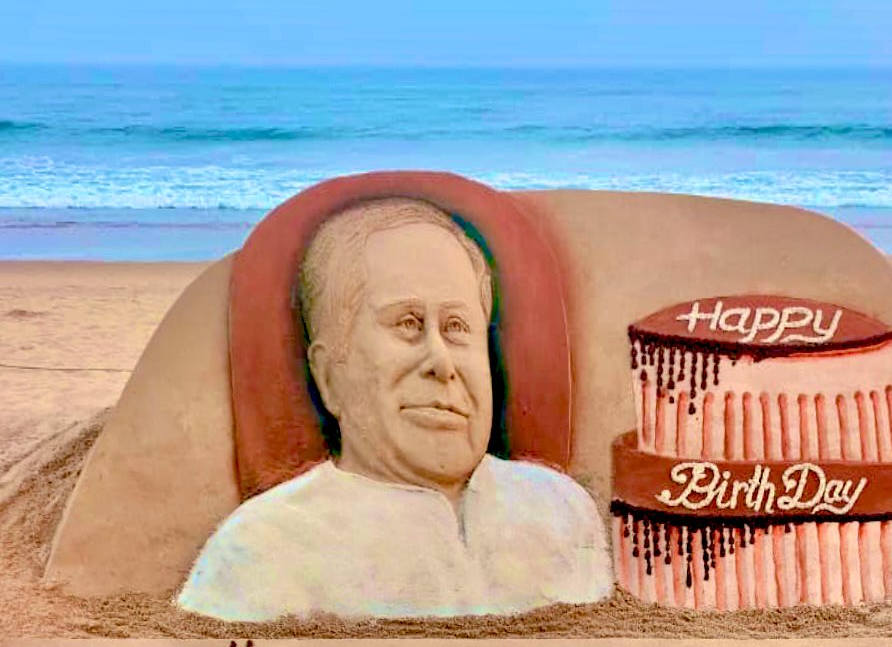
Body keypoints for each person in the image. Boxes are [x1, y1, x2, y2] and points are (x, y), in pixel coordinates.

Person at [176, 197, 613, 620]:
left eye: (457, 327)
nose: (442, 363)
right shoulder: (260, 552)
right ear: (330, 377)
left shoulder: (561, 510)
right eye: (408, 323)